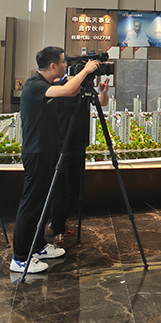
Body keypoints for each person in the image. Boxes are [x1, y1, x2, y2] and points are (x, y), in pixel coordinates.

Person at [10, 47, 101, 274]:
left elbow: (70, 90)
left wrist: (82, 77)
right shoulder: (34, 85)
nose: (64, 66)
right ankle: (20, 258)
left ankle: (38, 246)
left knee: (42, 203)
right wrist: (86, 70)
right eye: (62, 63)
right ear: (52, 66)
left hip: (48, 151)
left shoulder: (46, 85)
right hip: (37, 152)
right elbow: (68, 89)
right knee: (31, 205)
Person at [48, 75, 109, 248]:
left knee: (75, 189)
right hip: (60, 145)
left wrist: (103, 92)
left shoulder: (84, 89)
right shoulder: (60, 86)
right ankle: (57, 229)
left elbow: (101, 103)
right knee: (60, 190)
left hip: (79, 145)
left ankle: (59, 223)